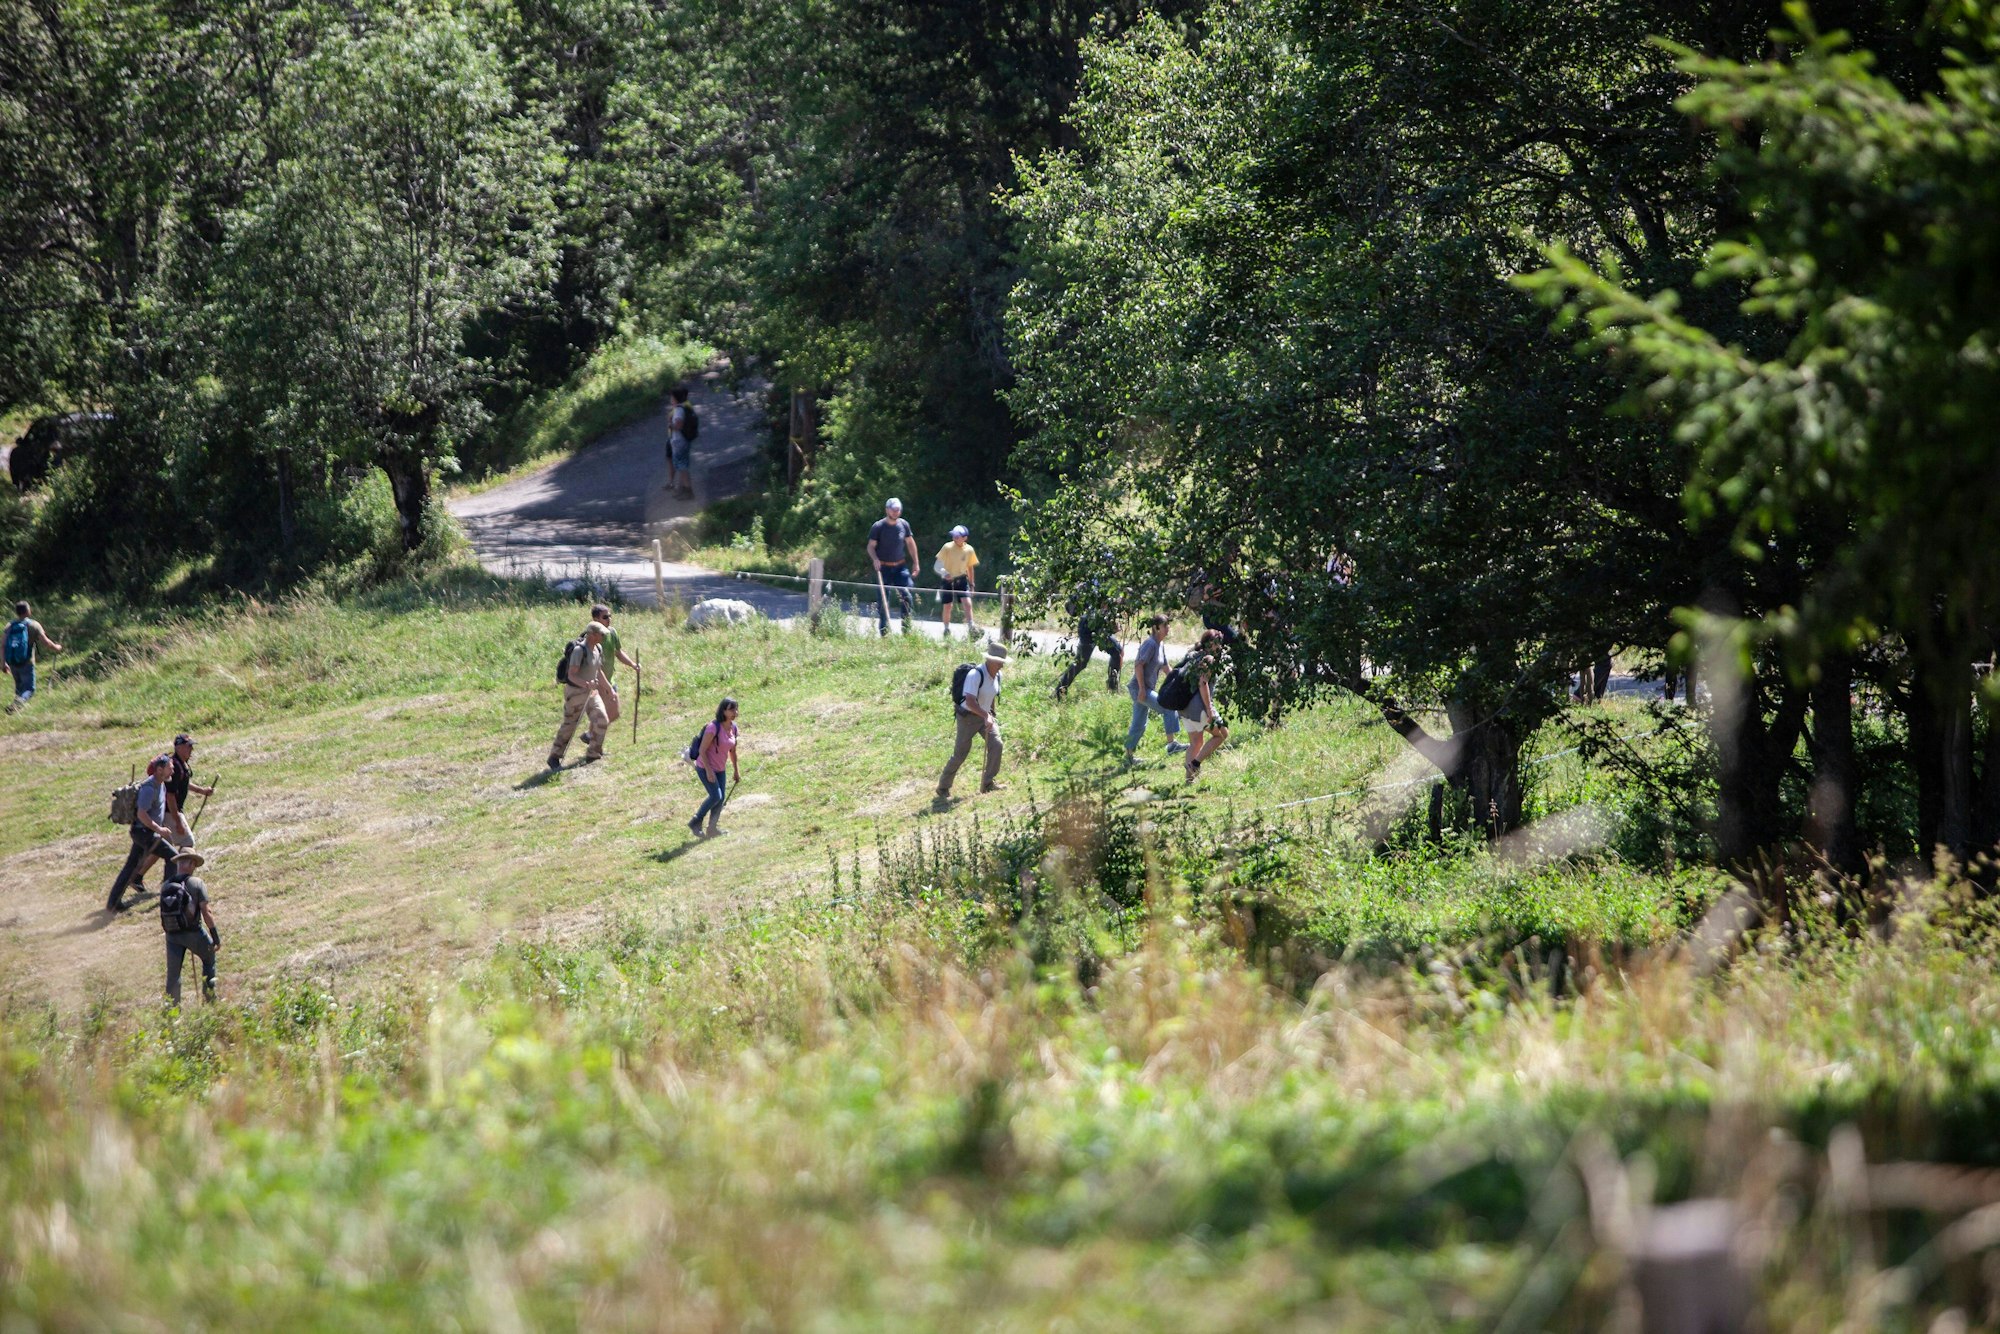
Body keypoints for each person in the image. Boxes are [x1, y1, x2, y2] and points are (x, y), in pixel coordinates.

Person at [938, 642, 1007, 800]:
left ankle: (987, 783)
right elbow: (970, 701)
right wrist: (986, 715)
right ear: (989, 660)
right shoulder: (975, 675)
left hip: (985, 717)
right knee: (960, 754)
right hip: (967, 718)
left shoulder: (998, 675)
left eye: (1002, 661)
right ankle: (943, 787)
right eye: (999, 661)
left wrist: (991, 714)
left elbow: (991, 695)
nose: (1002, 665)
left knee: (997, 745)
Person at [107, 755, 176, 912]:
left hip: (144, 832)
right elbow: (142, 814)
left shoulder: (161, 784)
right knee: (173, 857)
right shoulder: (149, 788)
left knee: (131, 866)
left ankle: (113, 903)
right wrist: (159, 829)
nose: (172, 770)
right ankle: (168, 897)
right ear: (160, 770)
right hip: (144, 833)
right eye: (169, 768)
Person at [159, 849, 220, 1007]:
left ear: (179, 864)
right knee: (209, 958)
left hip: (172, 935)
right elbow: (206, 912)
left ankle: (171, 1010)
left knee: (173, 974)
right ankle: (210, 1000)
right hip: (193, 933)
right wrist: (215, 936)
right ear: (191, 863)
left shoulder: (166, 885)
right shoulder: (197, 883)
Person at [1124, 615, 1186, 766]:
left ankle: (1128, 758)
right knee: (1167, 706)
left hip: (1144, 689)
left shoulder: (1160, 644)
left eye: (1168, 625)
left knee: (1139, 724)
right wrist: (1142, 689)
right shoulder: (1150, 644)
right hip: (1139, 688)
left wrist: (1179, 682)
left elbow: (1166, 667)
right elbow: (1138, 665)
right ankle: (1172, 745)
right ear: (1156, 628)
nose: (1168, 628)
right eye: (1165, 625)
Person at [548, 622, 611, 770]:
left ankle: (593, 753)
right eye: (601, 634)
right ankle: (554, 756)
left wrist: (608, 688)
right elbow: (572, 675)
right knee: (570, 725)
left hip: (591, 693)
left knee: (602, 719)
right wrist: (587, 684)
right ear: (592, 635)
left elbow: (598, 671)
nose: (603, 637)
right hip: (576, 693)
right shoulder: (579, 651)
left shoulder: (598, 648)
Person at [1054, 578, 1123, 700]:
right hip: (1088, 627)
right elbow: (1100, 607)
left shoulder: (1103, 582)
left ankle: (1112, 688)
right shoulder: (1096, 582)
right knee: (1081, 662)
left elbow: (1105, 608)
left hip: (1097, 627)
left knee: (1117, 652)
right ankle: (1059, 692)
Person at [1177, 629, 1231, 784]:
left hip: (1184, 706)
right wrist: (1209, 710)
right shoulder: (1208, 659)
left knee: (1195, 742)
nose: (1220, 647)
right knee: (1222, 734)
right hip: (1198, 707)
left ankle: (1189, 780)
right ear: (1211, 644)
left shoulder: (1193, 654)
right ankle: (1195, 763)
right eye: (1217, 643)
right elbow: (1203, 683)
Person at [582, 603, 638, 747]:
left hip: (609, 679)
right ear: (595, 619)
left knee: (611, 713)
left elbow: (618, 652)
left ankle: (590, 735)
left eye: (610, 616)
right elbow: (595, 667)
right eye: (605, 617)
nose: (609, 619)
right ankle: (594, 743)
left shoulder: (612, 633)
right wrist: (605, 686)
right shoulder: (592, 638)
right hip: (596, 681)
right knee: (606, 714)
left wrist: (632, 664)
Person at [687, 697, 742, 838]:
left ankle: (712, 829)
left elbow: (733, 751)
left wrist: (736, 771)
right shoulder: (713, 727)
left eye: (736, 709)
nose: (735, 712)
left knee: (720, 798)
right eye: (731, 709)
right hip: (705, 767)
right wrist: (709, 771)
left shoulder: (733, 728)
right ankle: (695, 821)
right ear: (723, 711)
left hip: (720, 769)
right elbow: (702, 750)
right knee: (716, 796)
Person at [867, 497, 918, 636]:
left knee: (907, 596)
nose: (896, 512)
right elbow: (870, 546)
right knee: (883, 601)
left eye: (898, 509)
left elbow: (910, 543)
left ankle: (907, 631)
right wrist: (875, 559)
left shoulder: (904, 525)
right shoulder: (878, 526)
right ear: (887, 510)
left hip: (900, 567)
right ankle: (884, 633)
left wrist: (916, 562)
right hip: (883, 568)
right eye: (893, 509)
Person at [5, 600, 63, 711]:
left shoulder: (10, 626)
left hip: (12, 662)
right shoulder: (33, 625)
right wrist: (56, 647)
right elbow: (45, 642)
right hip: (27, 662)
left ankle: (16, 710)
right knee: (30, 689)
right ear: (28, 611)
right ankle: (17, 705)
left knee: (19, 688)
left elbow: (3, 645)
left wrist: (3, 662)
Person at [164, 733, 214, 851]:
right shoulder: (174, 767)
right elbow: (170, 796)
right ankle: (183, 864)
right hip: (169, 812)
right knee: (187, 842)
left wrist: (202, 791)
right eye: (189, 746)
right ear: (179, 747)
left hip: (170, 811)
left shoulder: (181, 764)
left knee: (163, 849)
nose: (192, 749)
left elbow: (184, 784)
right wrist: (178, 822)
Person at [934, 525, 981, 638]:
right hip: (948, 581)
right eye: (953, 536)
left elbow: (970, 568)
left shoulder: (969, 550)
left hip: (962, 579)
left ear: (965, 538)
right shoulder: (947, 547)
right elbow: (937, 566)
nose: (954, 538)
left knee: (967, 603)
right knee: (947, 606)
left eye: (957, 536)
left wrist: (972, 584)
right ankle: (946, 629)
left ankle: (971, 627)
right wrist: (945, 573)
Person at [664, 387, 696, 499]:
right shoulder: (684, 407)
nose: (670, 399)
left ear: (675, 399)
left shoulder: (678, 410)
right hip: (683, 441)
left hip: (679, 442)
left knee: (682, 467)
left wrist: (670, 424)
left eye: (671, 397)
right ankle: (683, 490)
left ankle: (688, 491)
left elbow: (678, 425)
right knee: (682, 466)